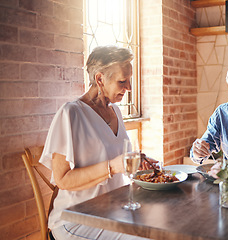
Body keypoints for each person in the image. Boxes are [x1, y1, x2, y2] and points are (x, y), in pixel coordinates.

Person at [40, 46, 154, 240]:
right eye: (122, 81)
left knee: (162, 227)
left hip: (114, 211)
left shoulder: (116, 112)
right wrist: (112, 166)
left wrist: (138, 164)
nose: (129, 88)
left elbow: (118, 161)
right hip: (76, 219)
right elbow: (63, 180)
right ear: (100, 79)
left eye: (129, 80)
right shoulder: (71, 113)